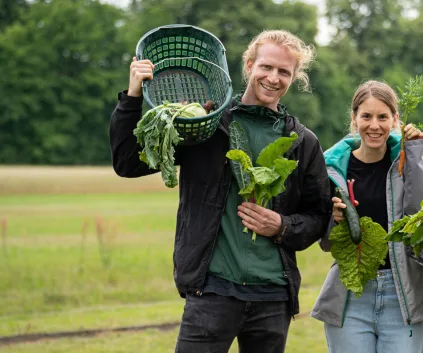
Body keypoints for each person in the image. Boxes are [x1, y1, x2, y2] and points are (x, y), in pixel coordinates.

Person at [109, 29, 332, 353]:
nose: (273, 78)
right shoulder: (206, 126)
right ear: (249, 65)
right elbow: (128, 162)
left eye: (284, 71)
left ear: (294, 77)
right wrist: (132, 97)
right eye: (266, 67)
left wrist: (282, 226)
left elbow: (318, 216)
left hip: (272, 296)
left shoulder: (302, 142)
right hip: (212, 291)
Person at [310, 80, 423, 353]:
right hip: (351, 293)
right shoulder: (331, 169)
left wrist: (414, 154)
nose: (374, 125)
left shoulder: (405, 161)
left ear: (395, 119)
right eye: (366, 116)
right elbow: (325, 242)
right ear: (354, 118)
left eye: (383, 117)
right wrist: (334, 222)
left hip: (402, 293)